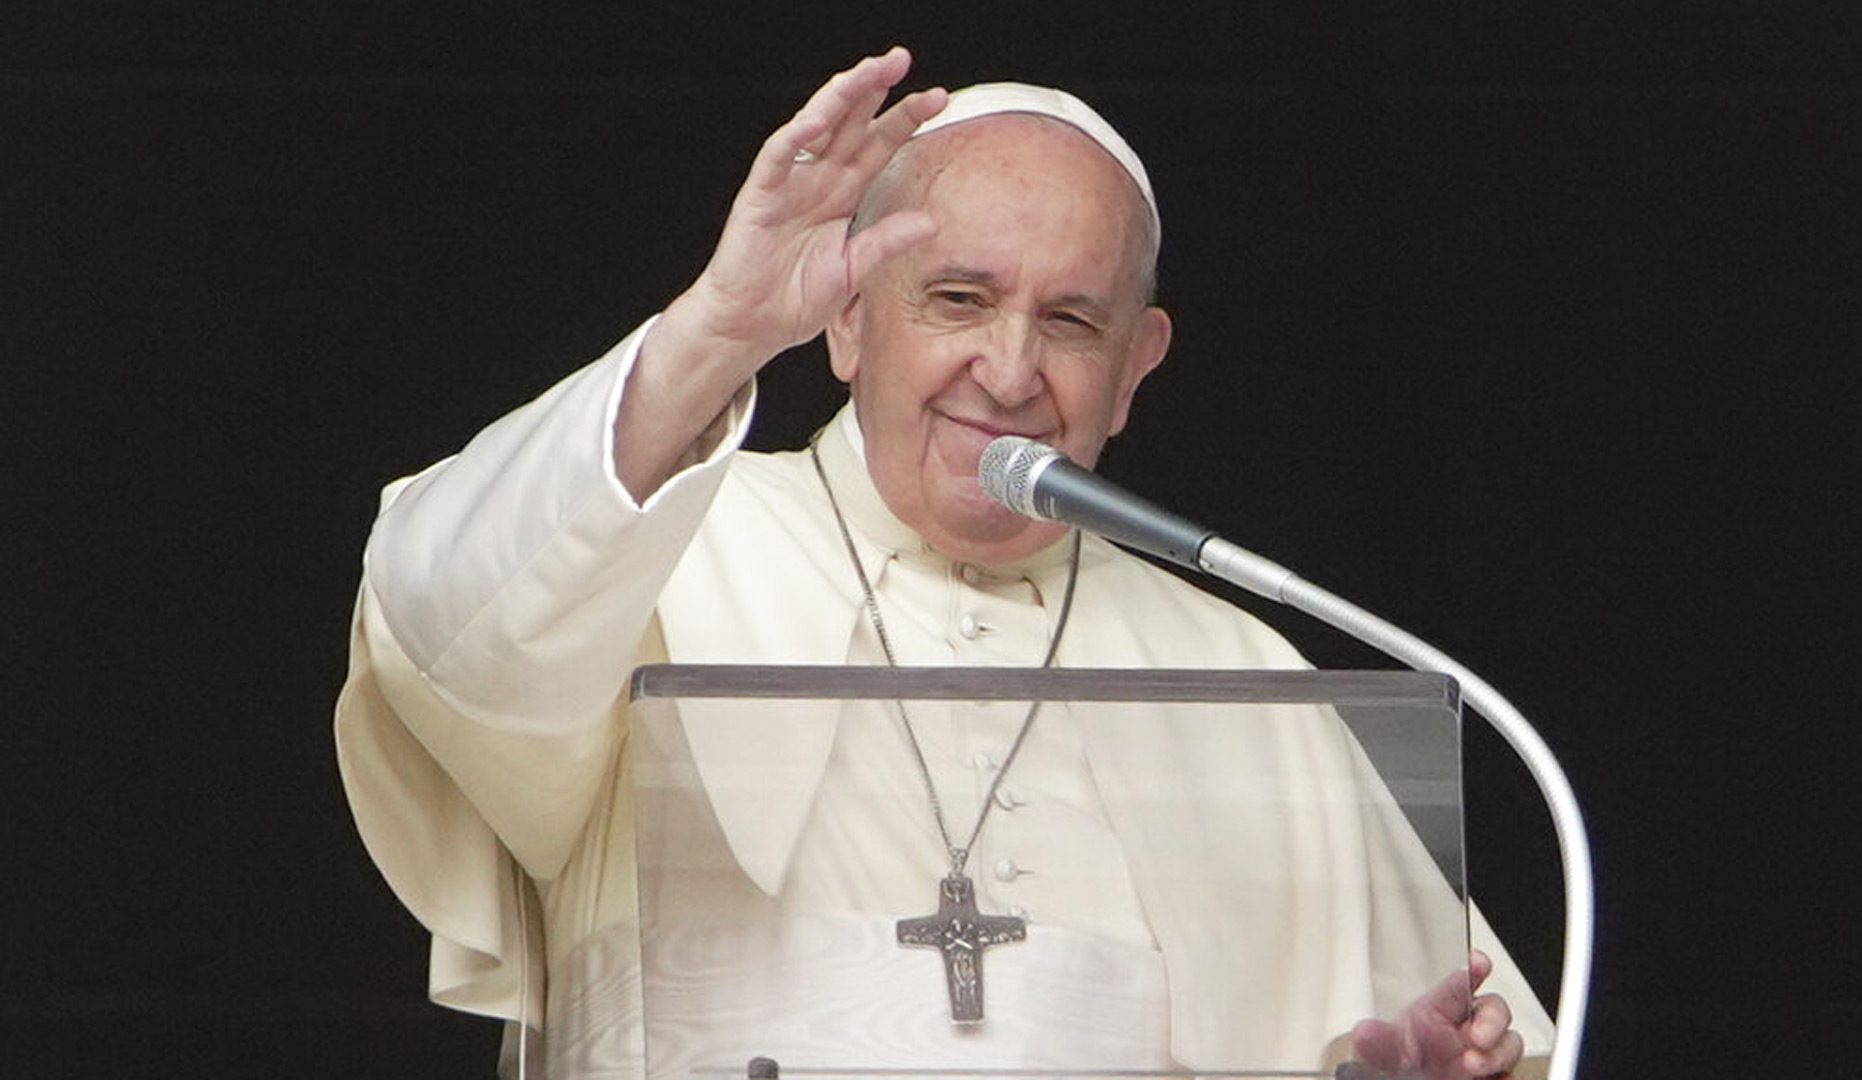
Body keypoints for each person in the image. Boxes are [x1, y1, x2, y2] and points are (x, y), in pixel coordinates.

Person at [336, 47, 1553, 1079]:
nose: (1013, 373)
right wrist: (712, 332)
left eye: (1072, 321)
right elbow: (437, 628)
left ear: (1139, 365)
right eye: (959, 299)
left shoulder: (1242, 673)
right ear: (850, 319)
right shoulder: (651, 539)